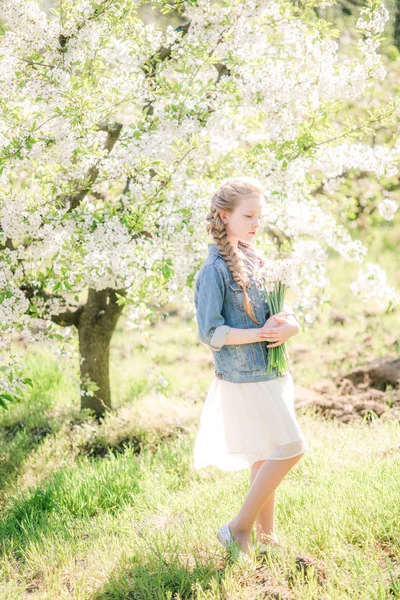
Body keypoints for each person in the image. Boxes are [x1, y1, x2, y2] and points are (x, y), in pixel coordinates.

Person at [193, 175, 310, 557]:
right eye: (248, 216)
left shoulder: (255, 257)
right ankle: (238, 528)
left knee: (266, 453)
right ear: (224, 216)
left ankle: (267, 538)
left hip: (274, 370)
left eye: (260, 216)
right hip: (244, 377)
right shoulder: (214, 270)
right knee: (292, 447)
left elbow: (278, 302)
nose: (256, 224)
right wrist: (259, 335)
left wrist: (290, 323)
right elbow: (210, 331)